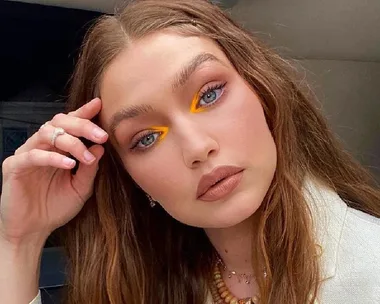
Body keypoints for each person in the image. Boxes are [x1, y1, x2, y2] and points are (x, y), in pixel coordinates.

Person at [1, 0, 379, 303]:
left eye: (209, 94)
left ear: (264, 92)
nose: (197, 147)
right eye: (146, 137)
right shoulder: (139, 287)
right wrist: (18, 240)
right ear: (133, 179)